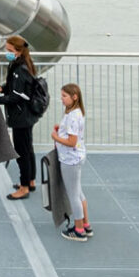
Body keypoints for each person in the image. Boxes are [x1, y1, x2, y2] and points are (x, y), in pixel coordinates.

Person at [0, 36, 47, 200]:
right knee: (28, 148)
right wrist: (1, 87)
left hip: (22, 116)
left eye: (9, 51)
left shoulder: (20, 69)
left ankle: (24, 187)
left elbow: (17, 96)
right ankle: (31, 180)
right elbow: (16, 87)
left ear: (19, 51)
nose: (7, 53)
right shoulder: (21, 64)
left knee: (22, 152)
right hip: (26, 115)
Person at [52, 83, 91, 239]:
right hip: (78, 156)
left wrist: (56, 137)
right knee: (79, 192)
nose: (61, 99)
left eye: (64, 96)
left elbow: (71, 142)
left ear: (74, 97)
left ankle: (79, 229)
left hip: (70, 159)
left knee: (73, 195)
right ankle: (86, 224)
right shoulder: (76, 112)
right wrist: (60, 129)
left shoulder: (73, 116)